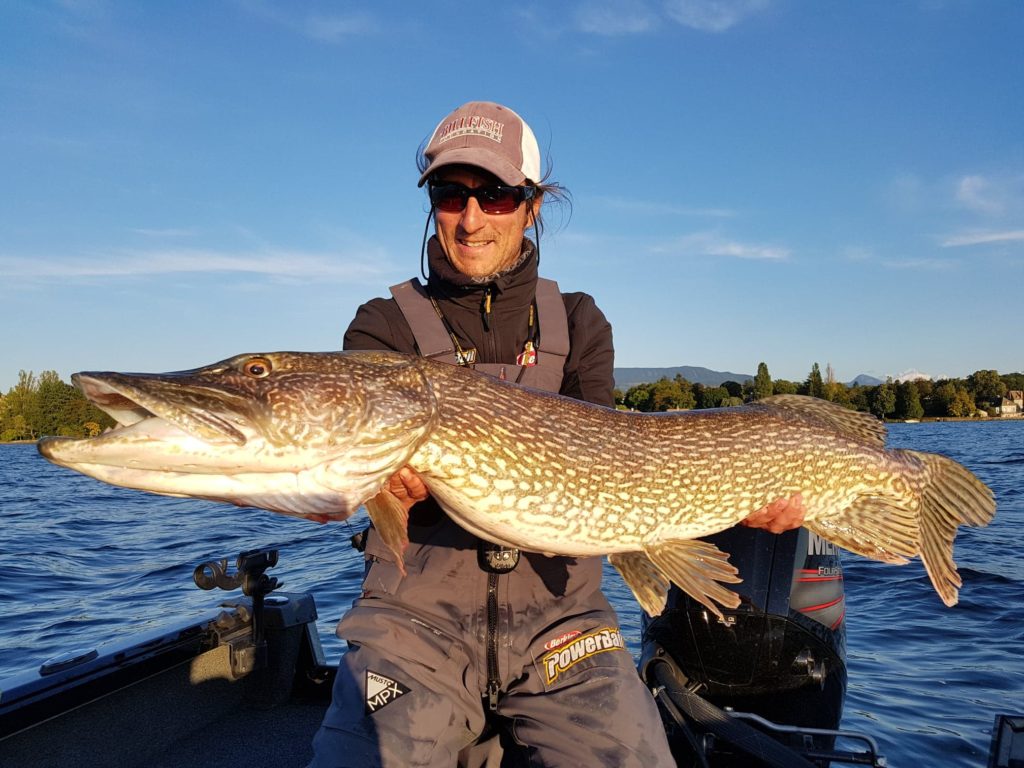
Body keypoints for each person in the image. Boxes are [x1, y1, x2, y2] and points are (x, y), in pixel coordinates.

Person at [308, 101, 804, 768]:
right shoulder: (383, 327)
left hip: (562, 625)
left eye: (497, 195)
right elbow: (340, 470)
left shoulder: (577, 322)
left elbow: (606, 456)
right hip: (412, 626)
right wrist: (381, 483)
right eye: (453, 195)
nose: (473, 216)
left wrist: (756, 499)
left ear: (532, 205)